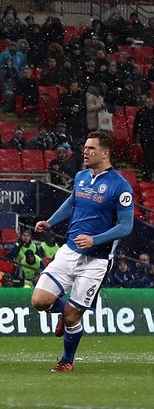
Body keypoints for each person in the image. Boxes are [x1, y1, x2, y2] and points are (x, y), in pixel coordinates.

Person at [31, 131, 134, 372]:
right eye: (85, 148)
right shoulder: (80, 177)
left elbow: (126, 226)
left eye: (91, 148)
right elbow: (72, 202)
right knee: (39, 300)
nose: (85, 152)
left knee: (72, 318)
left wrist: (95, 239)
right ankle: (64, 313)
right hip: (69, 251)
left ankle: (67, 361)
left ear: (105, 153)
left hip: (96, 261)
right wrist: (51, 222)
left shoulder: (120, 186)